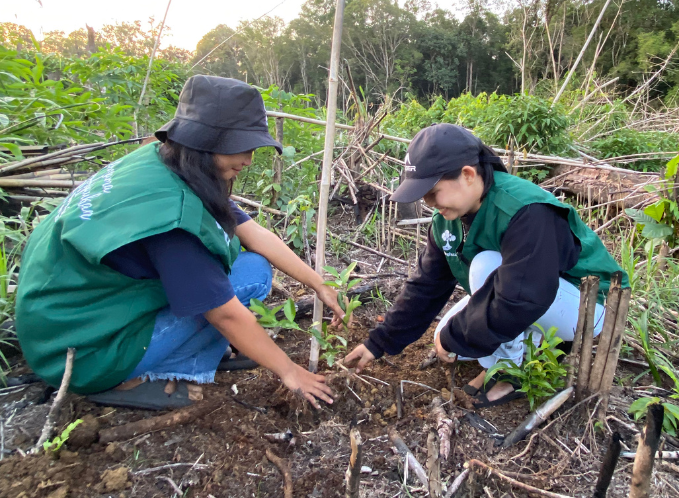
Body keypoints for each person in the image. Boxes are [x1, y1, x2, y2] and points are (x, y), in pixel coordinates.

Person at [16, 75, 344, 410]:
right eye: (241, 147)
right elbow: (225, 315)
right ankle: (137, 377)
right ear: (206, 142)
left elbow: (252, 232)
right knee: (249, 282)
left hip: (65, 324)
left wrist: (319, 283)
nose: (248, 160)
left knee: (252, 267)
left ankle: (183, 351)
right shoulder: (171, 222)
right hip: (83, 354)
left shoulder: (166, 163)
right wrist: (291, 373)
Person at [345, 124, 628, 408]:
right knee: (447, 340)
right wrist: (378, 343)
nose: (430, 204)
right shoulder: (448, 220)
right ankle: (533, 344)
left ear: (468, 175)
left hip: (590, 307)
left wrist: (455, 336)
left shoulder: (525, 210)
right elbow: (426, 286)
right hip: (533, 294)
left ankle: (509, 371)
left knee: (483, 268)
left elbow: (522, 297)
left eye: (433, 192)